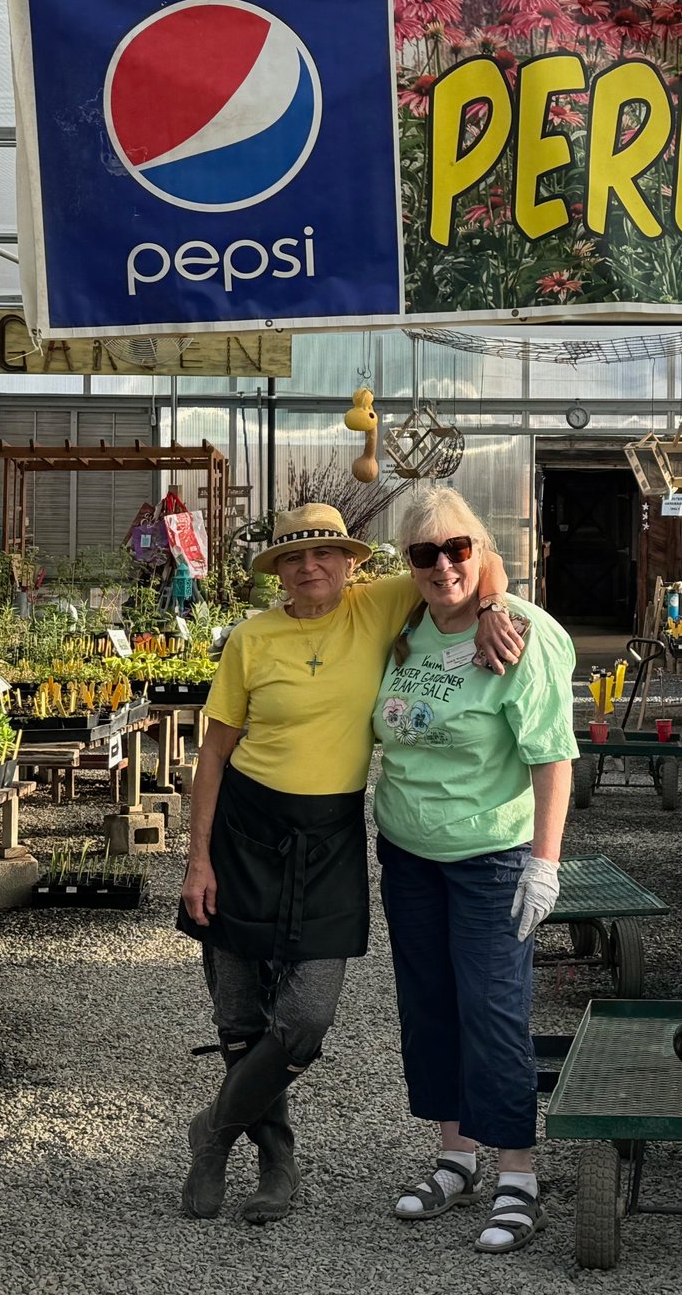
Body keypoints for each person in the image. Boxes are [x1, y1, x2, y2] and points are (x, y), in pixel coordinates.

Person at [178, 502, 525, 1225]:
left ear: (351, 563)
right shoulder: (250, 639)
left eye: (325, 555)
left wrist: (493, 603)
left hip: (330, 834)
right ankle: (276, 1164)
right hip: (244, 830)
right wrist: (197, 861)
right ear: (277, 571)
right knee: (240, 1015)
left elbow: (464, 557)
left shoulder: (381, 605)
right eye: (294, 559)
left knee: (305, 1018)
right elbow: (213, 754)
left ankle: (212, 1129)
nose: (311, 568)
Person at [374, 487, 576, 1254]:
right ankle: (455, 1157)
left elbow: (553, 754)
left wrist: (543, 865)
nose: (443, 565)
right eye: (424, 554)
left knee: (493, 1010)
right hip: (407, 854)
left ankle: (517, 1175)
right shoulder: (406, 620)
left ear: (482, 548)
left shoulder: (523, 636)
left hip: (490, 858)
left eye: (459, 548)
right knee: (430, 1006)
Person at [127, 503, 165, 586]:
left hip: (150, 561)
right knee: (146, 577)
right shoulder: (144, 531)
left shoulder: (152, 529)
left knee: (147, 577)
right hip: (148, 561)